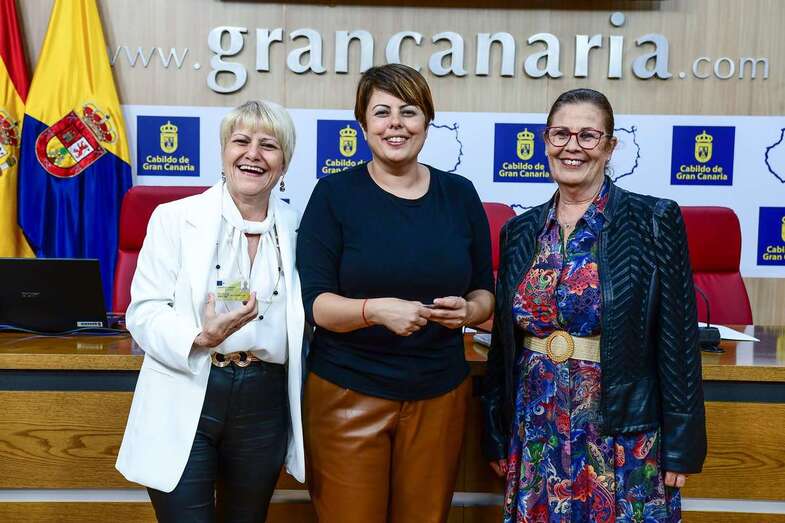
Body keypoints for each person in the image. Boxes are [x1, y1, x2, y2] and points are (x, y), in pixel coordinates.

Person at [482, 88, 707, 522]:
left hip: (622, 430)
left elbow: (679, 340)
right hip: (536, 428)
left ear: (609, 146)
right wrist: (495, 430)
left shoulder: (652, 220)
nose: (572, 146)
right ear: (546, 141)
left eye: (588, 135)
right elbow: (503, 346)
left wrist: (684, 444)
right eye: (561, 134)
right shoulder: (520, 231)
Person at [296, 63, 495, 523]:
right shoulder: (333, 194)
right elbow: (317, 304)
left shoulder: (460, 194)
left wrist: (469, 310)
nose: (396, 124)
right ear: (363, 125)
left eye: (409, 111)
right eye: (382, 112)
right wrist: (374, 311)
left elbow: (485, 292)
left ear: (427, 120)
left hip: (440, 394)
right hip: (348, 393)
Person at [116, 100, 305, 522]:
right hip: (190, 385)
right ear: (223, 151)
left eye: (268, 145)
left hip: (264, 401)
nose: (253, 154)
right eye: (241, 141)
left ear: (284, 163)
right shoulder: (174, 218)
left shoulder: (297, 227)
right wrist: (199, 338)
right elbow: (143, 311)